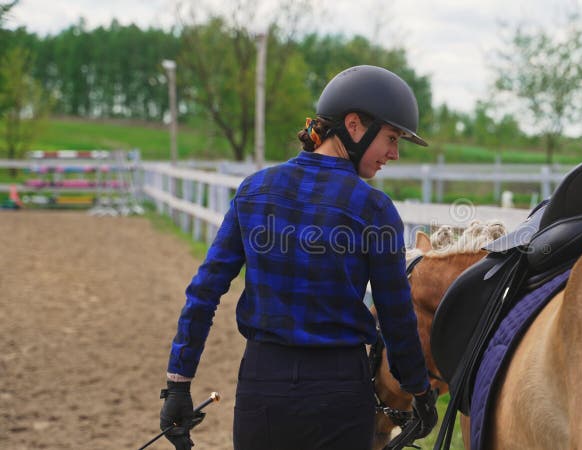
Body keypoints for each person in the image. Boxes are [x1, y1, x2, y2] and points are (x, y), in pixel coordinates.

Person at [158, 65, 438, 450]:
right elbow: (395, 316)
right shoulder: (374, 209)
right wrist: (418, 389)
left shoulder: (254, 191)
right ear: (354, 125)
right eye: (391, 138)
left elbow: (204, 292)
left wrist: (179, 382)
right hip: (340, 391)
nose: (393, 153)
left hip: (262, 387)